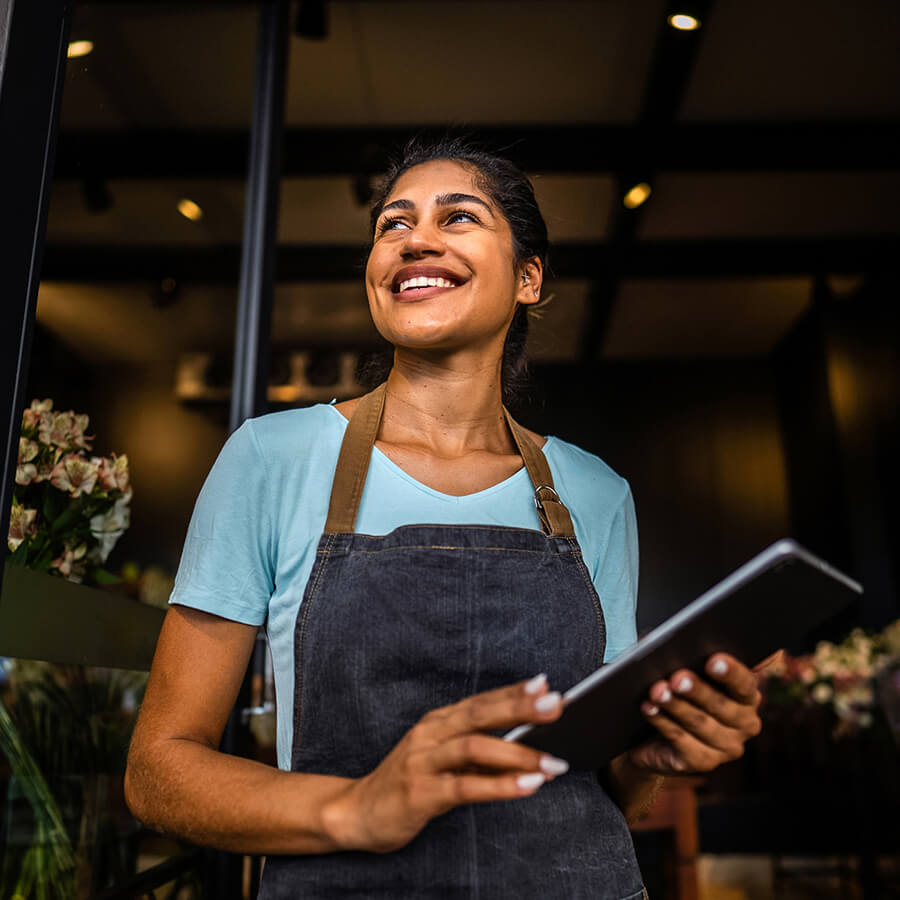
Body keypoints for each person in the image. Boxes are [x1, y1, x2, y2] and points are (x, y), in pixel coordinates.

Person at [124, 138, 764, 899]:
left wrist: (654, 759)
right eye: (393, 224)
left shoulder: (595, 494)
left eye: (458, 217)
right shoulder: (271, 457)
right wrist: (355, 808)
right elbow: (157, 770)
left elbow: (607, 794)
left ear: (528, 277)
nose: (415, 239)